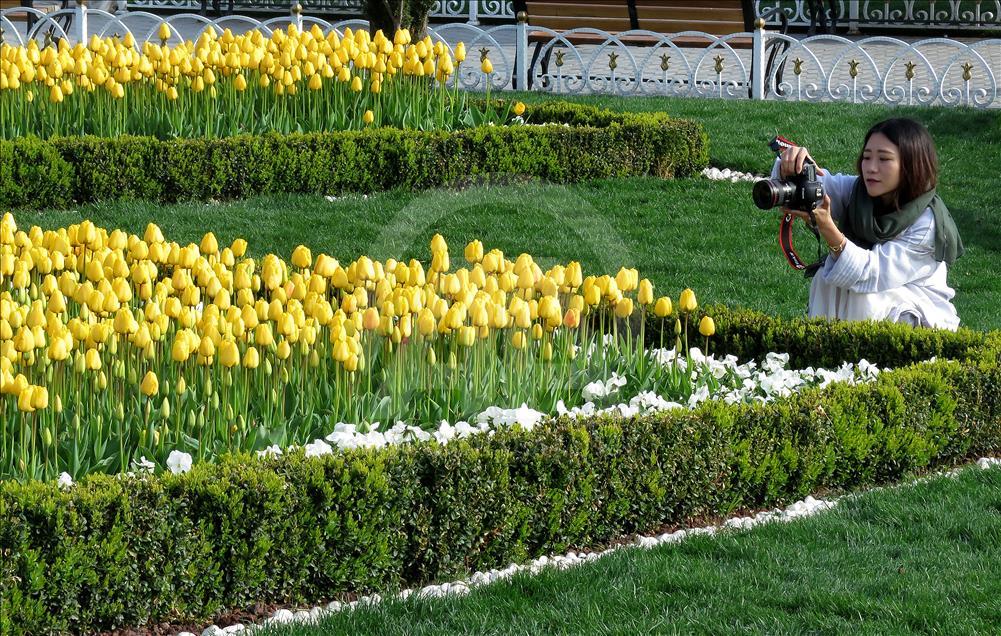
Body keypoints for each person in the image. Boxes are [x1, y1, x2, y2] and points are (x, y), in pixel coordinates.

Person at [774, 117, 964, 330]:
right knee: (824, 280)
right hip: (874, 299)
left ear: (911, 165)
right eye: (867, 157)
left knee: (864, 295)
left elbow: (871, 273)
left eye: (884, 159)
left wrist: (828, 228)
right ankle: (822, 356)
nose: (871, 168)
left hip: (921, 317)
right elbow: (818, 187)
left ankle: (860, 362)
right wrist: (794, 165)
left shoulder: (927, 224)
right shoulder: (860, 192)